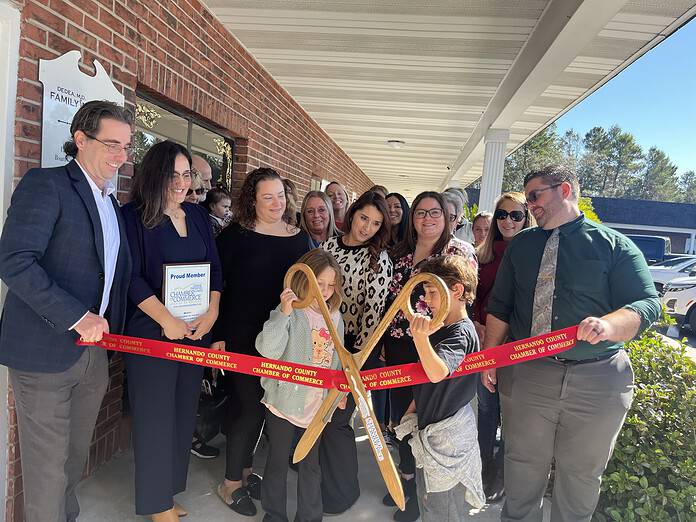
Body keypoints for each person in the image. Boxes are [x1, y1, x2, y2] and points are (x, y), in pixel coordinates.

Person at [481, 165, 660, 522]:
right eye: (527, 197)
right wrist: (490, 357)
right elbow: (501, 305)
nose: (530, 205)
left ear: (564, 190)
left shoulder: (613, 245)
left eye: (536, 195)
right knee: (521, 468)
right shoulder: (521, 247)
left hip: (598, 381)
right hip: (528, 374)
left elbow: (647, 303)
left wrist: (609, 325)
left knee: (580, 478)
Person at [0, 100, 133, 522]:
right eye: (112, 144)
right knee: (46, 475)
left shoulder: (111, 204)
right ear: (80, 139)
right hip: (45, 354)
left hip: (93, 355)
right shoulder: (48, 184)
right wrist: (78, 316)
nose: (121, 156)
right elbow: (15, 260)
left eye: (127, 147)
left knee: (72, 464)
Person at [121, 140, 222, 521]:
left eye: (186, 175)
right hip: (152, 332)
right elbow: (130, 278)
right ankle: (155, 504)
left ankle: (168, 491)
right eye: (173, 175)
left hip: (195, 332)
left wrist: (212, 311)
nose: (181, 183)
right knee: (154, 417)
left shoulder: (196, 216)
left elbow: (214, 267)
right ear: (155, 175)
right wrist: (167, 321)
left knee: (182, 413)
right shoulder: (132, 216)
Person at [214, 167, 310, 517]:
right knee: (249, 407)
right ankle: (230, 483)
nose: (275, 203)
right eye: (267, 197)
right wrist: (218, 335)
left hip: (280, 338)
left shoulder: (300, 239)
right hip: (239, 336)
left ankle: (245, 470)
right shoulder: (234, 237)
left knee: (267, 408)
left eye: (280, 196)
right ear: (251, 200)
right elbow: (216, 289)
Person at [383, 191, 476, 522]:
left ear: (448, 216)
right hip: (399, 345)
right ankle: (407, 487)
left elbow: (464, 298)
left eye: (434, 212)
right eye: (420, 213)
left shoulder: (459, 253)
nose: (427, 219)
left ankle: (424, 488)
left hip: (435, 347)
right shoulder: (401, 252)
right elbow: (389, 301)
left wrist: (426, 333)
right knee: (402, 420)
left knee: (424, 417)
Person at [256, 249, 345, 522]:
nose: (326, 291)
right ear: (304, 279)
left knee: (310, 464)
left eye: (331, 285)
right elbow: (267, 349)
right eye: (320, 284)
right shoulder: (291, 312)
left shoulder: (335, 316)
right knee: (277, 462)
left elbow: (337, 357)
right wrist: (282, 314)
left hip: (316, 404)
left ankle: (309, 516)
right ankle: (274, 515)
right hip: (283, 400)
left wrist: (337, 390)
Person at [320, 191, 393, 514]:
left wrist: (355, 360)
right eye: (364, 218)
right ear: (352, 215)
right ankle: (320, 482)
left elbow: (372, 317)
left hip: (352, 350)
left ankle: (342, 492)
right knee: (317, 418)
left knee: (337, 422)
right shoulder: (328, 248)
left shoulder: (378, 259)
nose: (367, 228)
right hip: (319, 344)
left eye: (376, 224)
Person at [397, 255, 485, 521]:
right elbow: (424, 379)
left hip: (449, 441)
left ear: (457, 290)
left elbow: (437, 373)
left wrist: (420, 338)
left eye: (433, 292)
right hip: (432, 430)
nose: (427, 300)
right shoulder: (440, 327)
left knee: (443, 509)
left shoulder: (460, 333)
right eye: (426, 293)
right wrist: (412, 412)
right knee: (431, 503)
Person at [472, 192, 534, 502]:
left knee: (511, 415)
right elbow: (470, 297)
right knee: (487, 410)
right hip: (486, 345)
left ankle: (502, 473)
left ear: (526, 218)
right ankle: (482, 467)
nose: (507, 220)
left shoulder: (533, 255)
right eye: (502, 214)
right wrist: (477, 325)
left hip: (519, 348)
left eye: (515, 215)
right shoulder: (481, 256)